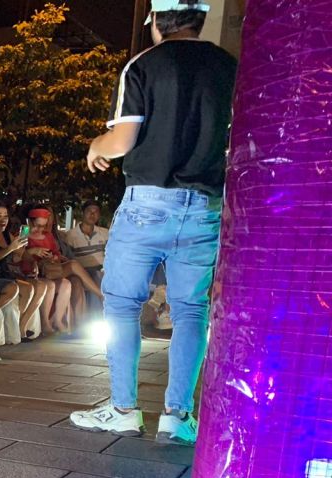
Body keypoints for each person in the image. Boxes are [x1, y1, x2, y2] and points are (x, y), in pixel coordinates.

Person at [70, 0, 237, 444]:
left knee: (123, 305)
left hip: (147, 203)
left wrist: (96, 145)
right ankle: (177, 416)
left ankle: (124, 410)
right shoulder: (228, 67)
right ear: (200, 18)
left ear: (158, 21)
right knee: (191, 311)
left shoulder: (144, 65)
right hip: (203, 205)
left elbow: (123, 140)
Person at [0, 202, 44, 338]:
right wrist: (10, 248)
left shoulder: (7, 235)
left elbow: (22, 253)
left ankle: (20, 325)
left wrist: (33, 262)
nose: (3, 219)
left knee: (39, 286)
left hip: (6, 274)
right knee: (26, 288)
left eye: (5, 216)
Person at [60, 201, 109, 278]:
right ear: (82, 213)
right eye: (89, 211)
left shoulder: (105, 233)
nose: (92, 214)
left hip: (103, 271)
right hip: (82, 273)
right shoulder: (71, 235)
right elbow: (68, 259)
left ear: (99, 215)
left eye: (96, 212)